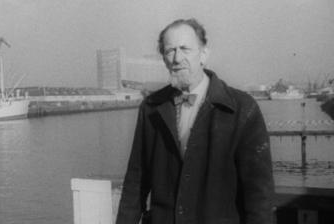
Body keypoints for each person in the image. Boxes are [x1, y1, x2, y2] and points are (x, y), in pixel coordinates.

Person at [116, 18, 274, 224]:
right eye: (169, 50)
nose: (177, 58)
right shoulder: (151, 108)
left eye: (184, 49)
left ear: (204, 55)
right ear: (163, 59)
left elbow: (259, 193)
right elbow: (136, 182)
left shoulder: (242, 109)